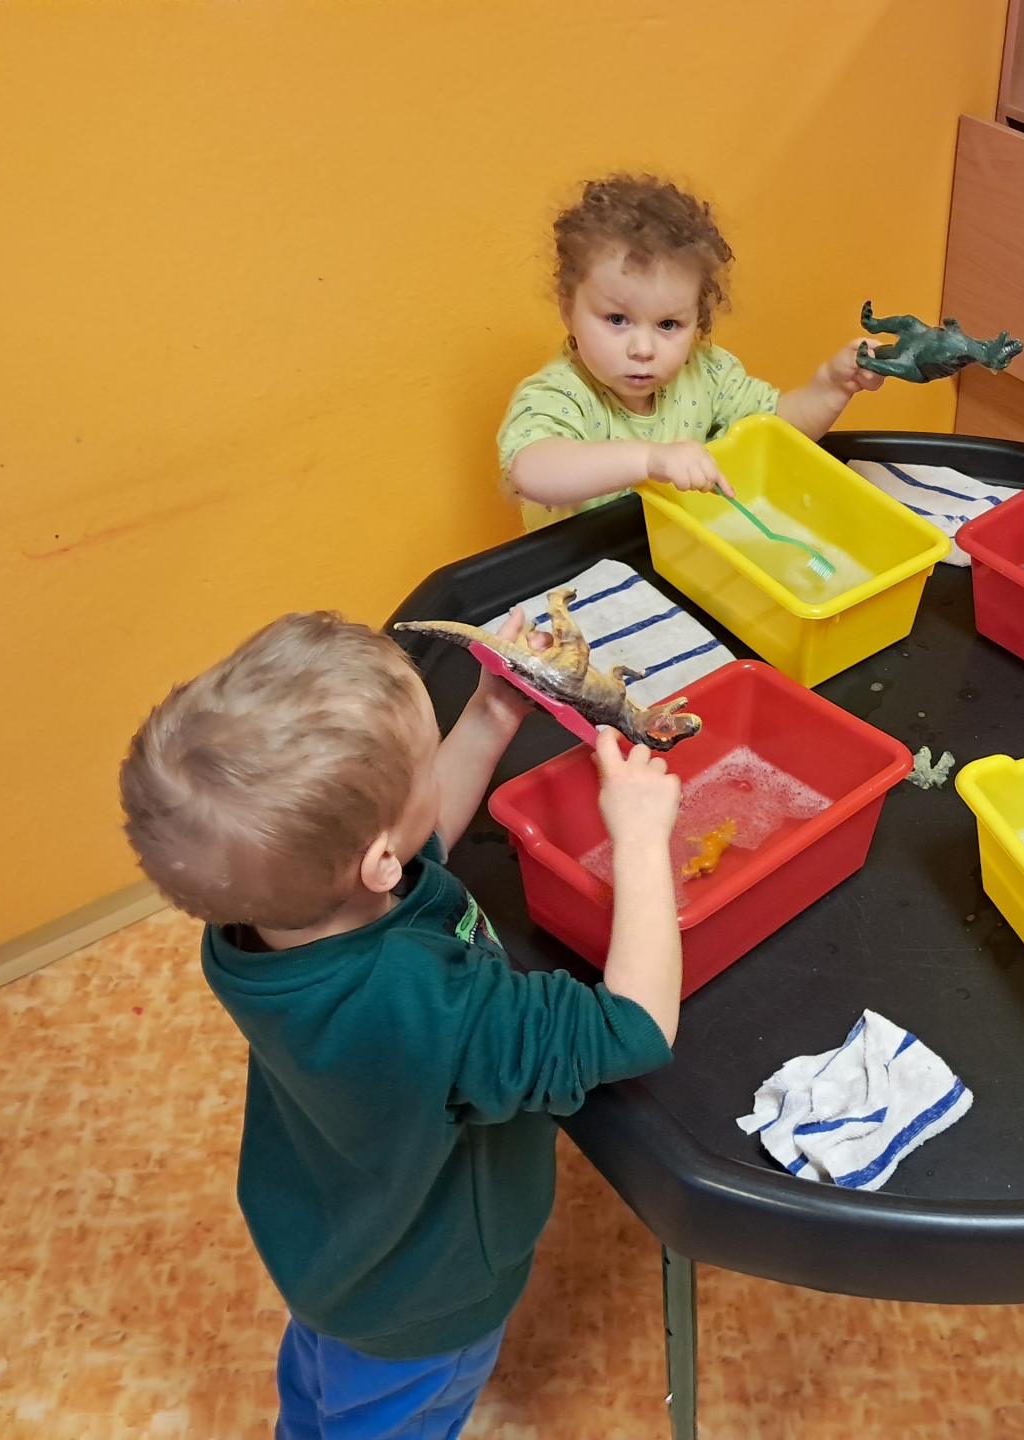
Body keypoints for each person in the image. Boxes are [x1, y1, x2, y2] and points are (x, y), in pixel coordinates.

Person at [119, 610, 684, 1439]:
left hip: (332, 1249)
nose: (432, 776)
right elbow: (633, 1028)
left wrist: (489, 714)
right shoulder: (427, 1007)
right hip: (425, 1298)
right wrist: (640, 840)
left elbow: (411, 849)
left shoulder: (255, 928)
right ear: (379, 861)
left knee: (322, 1396)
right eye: (424, 767)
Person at [500, 173, 884, 530]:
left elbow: (776, 430)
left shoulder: (706, 373)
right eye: (617, 319)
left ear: (696, 319)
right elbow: (532, 470)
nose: (643, 349)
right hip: (584, 566)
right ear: (568, 310)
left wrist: (832, 386)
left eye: (668, 325)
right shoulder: (559, 394)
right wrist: (649, 459)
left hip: (680, 551)